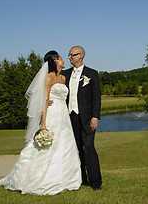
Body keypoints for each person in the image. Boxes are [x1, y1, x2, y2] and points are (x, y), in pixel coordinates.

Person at [0, 51, 82, 195]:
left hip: (64, 116)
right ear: (55, 60)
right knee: (45, 148)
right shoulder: (49, 77)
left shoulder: (63, 77)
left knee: (65, 146)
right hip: (52, 114)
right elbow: (44, 100)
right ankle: (35, 178)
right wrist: (43, 123)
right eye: (61, 58)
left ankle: (66, 180)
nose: (64, 60)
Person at [63, 45, 102, 191]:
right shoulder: (65, 74)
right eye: (68, 55)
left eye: (72, 55)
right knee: (76, 149)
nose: (69, 57)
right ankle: (81, 179)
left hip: (87, 118)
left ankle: (96, 181)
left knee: (89, 148)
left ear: (80, 56)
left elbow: (96, 98)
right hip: (70, 118)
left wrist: (95, 117)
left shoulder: (92, 73)